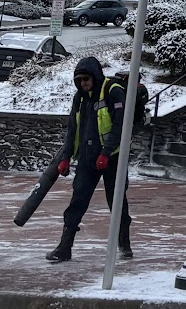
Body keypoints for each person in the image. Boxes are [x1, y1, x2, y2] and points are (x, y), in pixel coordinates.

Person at [47, 55, 133, 262]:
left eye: (86, 79)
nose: (83, 83)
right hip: (87, 158)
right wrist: (66, 157)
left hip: (112, 158)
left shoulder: (113, 91)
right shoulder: (80, 98)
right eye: (79, 80)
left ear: (95, 76)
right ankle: (64, 247)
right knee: (78, 200)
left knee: (117, 200)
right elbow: (72, 130)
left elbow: (121, 126)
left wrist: (106, 153)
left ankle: (124, 244)